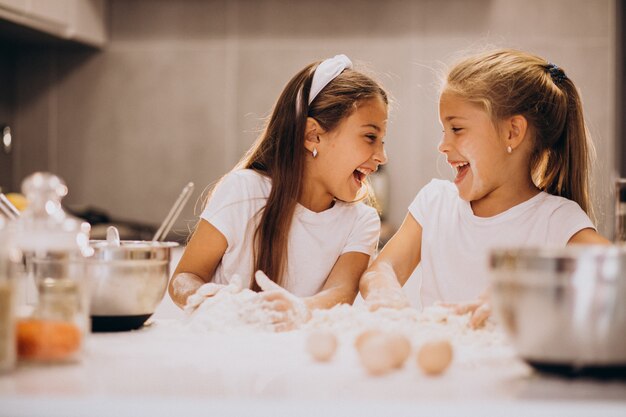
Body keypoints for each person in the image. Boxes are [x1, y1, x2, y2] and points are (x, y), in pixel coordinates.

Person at [359, 49, 609, 327]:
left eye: (457, 129)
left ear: (512, 132)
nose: (442, 145)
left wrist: (528, 293)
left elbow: (614, 282)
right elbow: (381, 269)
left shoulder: (557, 221)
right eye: (444, 131)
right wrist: (385, 290)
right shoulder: (434, 205)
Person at [168, 55, 389, 328]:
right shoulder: (243, 191)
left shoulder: (361, 221)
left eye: (382, 141)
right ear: (313, 135)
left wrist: (295, 309)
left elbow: (339, 294)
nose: (382, 156)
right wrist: (210, 299)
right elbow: (184, 277)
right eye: (370, 137)